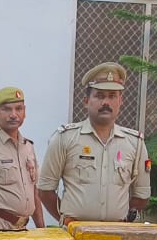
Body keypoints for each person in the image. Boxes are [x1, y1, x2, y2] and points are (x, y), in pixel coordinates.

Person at [37, 63, 150, 225]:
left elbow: (142, 195)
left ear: (120, 101)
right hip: (76, 233)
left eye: (112, 96)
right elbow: (45, 190)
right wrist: (66, 221)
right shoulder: (65, 138)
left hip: (117, 233)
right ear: (86, 101)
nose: (106, 102)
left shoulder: (134, 143)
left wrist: (124, 220)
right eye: (99, 96)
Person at [0, 87, 45, 230]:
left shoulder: (28, 146)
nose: (13, 115)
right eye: (6, 109)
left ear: (25, 111)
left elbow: (34, 192)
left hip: (23, 229)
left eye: (19, 109)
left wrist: (42, 230)